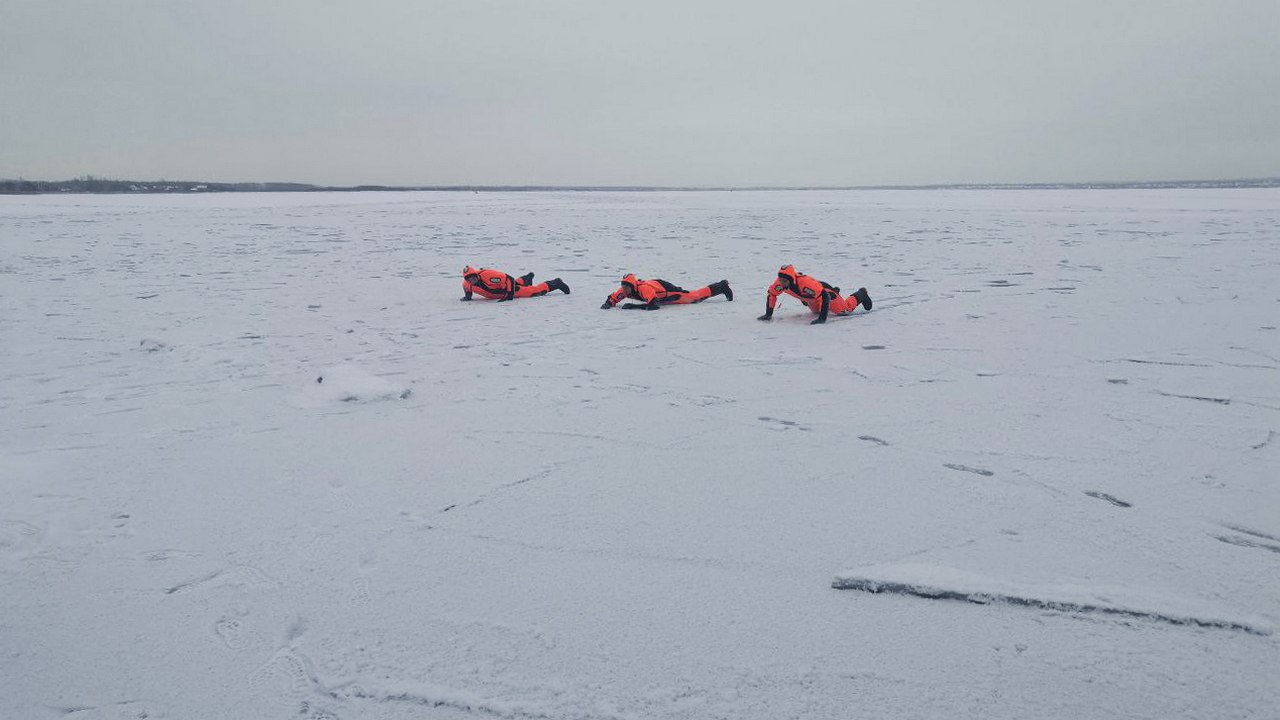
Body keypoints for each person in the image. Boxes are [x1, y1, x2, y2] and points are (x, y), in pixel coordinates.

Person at [757, 265, 871, 324]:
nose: (781, 283)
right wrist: (768, 314)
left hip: (825, 293)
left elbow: (824, 296)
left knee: (844, 311)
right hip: (813, 298)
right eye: (780, 279)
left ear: (791, 279)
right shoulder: (779, 283)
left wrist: (822, 319)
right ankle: (835, 292)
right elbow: (772, 294)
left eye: (784, 281)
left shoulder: (805, 284)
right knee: (816, 312)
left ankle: (861, 293)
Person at [600, 274, 733, 310]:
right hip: (656, 284)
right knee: (693, 296)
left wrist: (633, 306)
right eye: (623, 286)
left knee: (694, 297)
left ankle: (722, 286)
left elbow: (654, 305)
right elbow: (613, 298)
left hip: (666, 291)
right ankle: (721, 286)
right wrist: (608, 303)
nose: (624, 290)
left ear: (633, 285)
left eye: (627, 287)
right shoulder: (625, 289)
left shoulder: (643, 289)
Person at [461, 266, 570, 301]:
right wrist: (468, 297)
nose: (472, 280)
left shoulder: (490, 277)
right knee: (518, 283)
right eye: (469, 279)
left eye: (473, 277)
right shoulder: (467, 284)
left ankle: (556, 283)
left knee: (535, 292)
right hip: (498, 291)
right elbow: (467, 289)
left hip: (508, 290)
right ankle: (527, 278)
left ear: (476, 274)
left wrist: (509, 295)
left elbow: (509, 279)